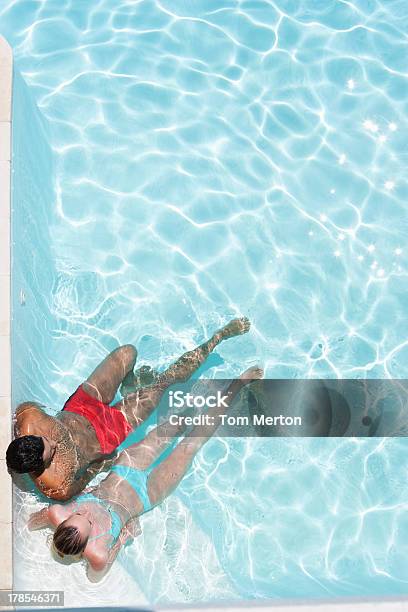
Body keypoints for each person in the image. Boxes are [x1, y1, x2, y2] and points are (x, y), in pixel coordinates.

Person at [27, 365, 263, 579]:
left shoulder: (57, 513)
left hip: (125, 470)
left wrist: (50, 535)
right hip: (147, 494)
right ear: (87, 542)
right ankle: (238, 384)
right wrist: (122, 539)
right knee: (191, 444)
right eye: (89, 523)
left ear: (65, 520)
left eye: (79, 515)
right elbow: (94, 577)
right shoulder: (98, 551)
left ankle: (196, 403)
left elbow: (30, 523)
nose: (88, 514)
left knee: (172, 427)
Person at [6, 318, 251, 501]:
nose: (54, 443)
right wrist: (104, 461)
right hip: (110, 432)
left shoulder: (28, 417)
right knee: (163, 383)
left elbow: (42, 411)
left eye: (46, 439)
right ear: (39, 466)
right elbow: (88, 476)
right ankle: (217, 339)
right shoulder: (57, 484)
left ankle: (131, 384)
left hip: (83, 405)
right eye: (51, 451)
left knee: (127, 353)